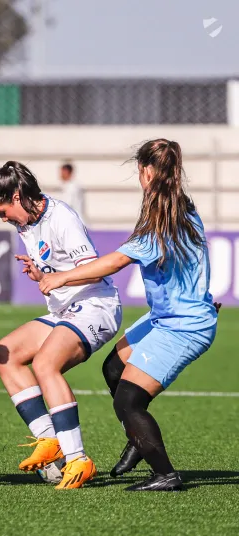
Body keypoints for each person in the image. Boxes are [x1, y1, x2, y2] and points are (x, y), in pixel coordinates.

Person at [0, 161, 122, 490]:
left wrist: (57, 278)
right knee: (6, 354)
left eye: (4, 212)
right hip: (64, 310)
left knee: (46, 364)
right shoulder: (20, 210)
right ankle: (49, 440)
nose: (2, 218)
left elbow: (96, 270)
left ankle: (78, 459)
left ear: (17, 196)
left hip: (95, 306)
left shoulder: (61, 219)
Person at [39, 139, 218, 492]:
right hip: (167, 316)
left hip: (183, 326)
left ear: (147, 172)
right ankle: (138, 438)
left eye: (140, 171)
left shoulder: (162, 221)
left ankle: (165, 474)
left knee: (128, 401)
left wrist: (61, 277)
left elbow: (116, 261)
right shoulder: (180, 207)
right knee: (114, 368)